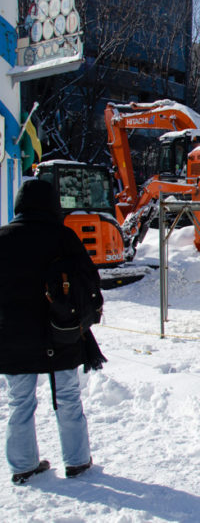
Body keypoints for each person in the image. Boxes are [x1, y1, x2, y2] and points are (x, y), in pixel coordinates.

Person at [0, 179, 106, 484]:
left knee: (19, 403)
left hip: (12, 338)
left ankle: (22, 466)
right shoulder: (63, 237)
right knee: (69, 397)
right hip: (61, 332)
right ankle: (77, 461)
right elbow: (90, 280)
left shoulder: (3, 238)